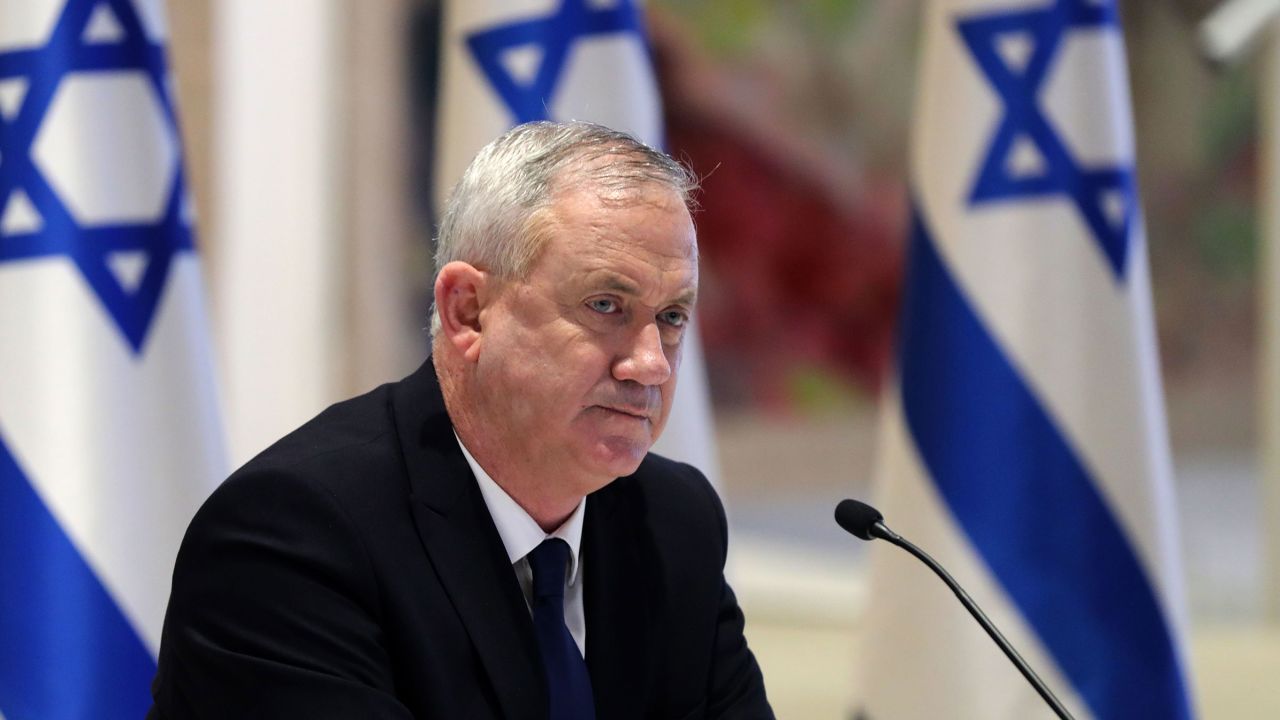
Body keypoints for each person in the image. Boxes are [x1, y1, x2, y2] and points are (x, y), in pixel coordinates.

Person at [147, 121, 774, 719]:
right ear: (469, 311)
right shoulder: (293, 537)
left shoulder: (673, 521)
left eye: (671, 318)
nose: (651, 365)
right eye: (606, 305)